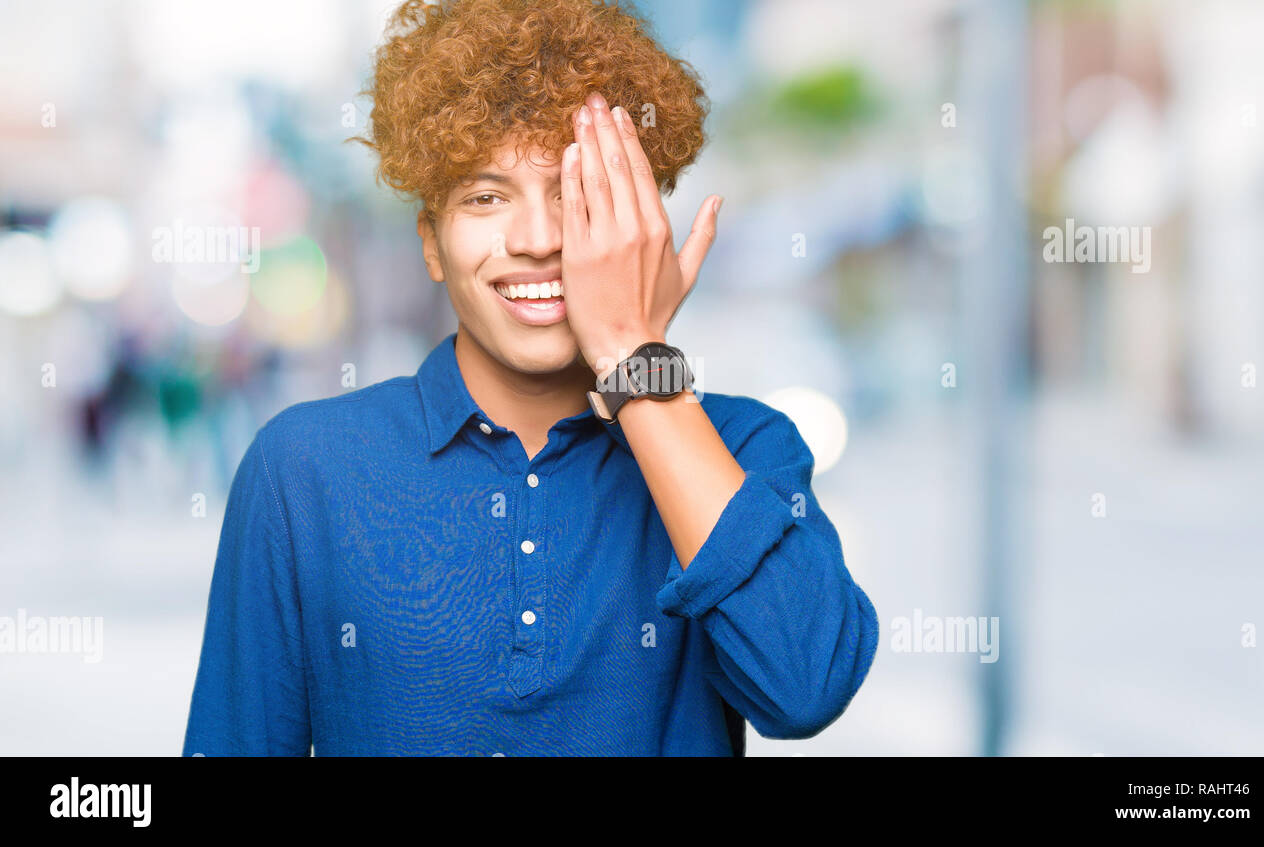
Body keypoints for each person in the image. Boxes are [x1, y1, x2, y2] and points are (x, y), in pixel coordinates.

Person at [182, 0, 878, 756]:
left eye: (574, 196)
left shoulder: (743, 447)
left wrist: (634, 356)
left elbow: (805, 688)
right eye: (485, 198)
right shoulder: (301, 469)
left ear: (635, 224)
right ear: (432, 245)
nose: (539, 239)